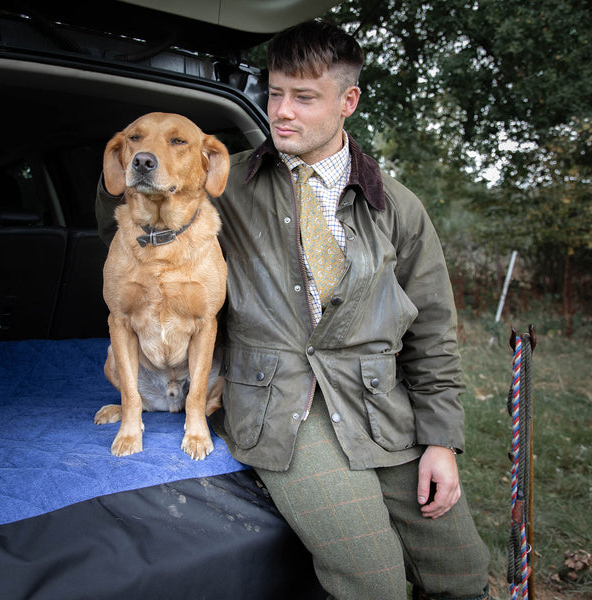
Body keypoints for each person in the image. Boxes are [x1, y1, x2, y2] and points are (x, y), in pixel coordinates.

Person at [96, 19, 490, 600]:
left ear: (347, 101)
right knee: (374, 579)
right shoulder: (222, 182)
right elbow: (147, 192)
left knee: (463, 571)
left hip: (379, 407)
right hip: (278, 409)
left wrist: (440, 441)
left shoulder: (398, 208)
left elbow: (433, 332)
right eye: (275, 94)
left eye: (304, 98)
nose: (282, 111)